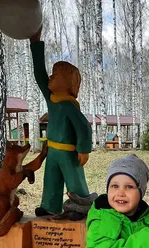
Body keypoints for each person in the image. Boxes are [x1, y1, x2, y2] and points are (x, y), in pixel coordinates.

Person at [29, 27, 93, 217]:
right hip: (53, 151)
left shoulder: (69, 106)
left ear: (66, 83)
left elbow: (84, 127)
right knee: (52, 180)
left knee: (75, 181)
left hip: (68, 153)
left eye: (55, 75)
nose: (50, 77)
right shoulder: (52, 100)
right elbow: (40, 75)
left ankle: (81, 207)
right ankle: (50, 205)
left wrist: (83, 149)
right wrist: (35, 44)